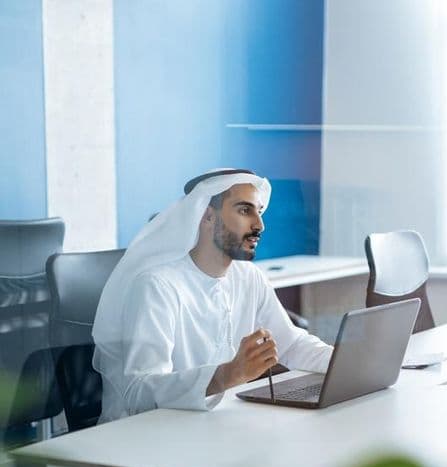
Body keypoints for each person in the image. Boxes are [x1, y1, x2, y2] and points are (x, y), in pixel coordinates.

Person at [93, 169, 333, 423]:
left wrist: (344, 362)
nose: (259, 225)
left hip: (219, 422)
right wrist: (224, 376)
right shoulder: (157, 285)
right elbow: (138, 394)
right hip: (150, 435)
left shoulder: (249, 276)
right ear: (207, 217)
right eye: (244, 210)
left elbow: (292, 345)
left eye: (259, 212)